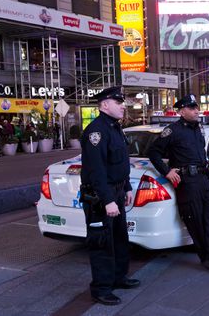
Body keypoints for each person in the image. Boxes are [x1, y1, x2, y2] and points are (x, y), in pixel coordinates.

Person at [148, 94, 209, 273]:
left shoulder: (198, 129)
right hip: (187, 182)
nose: (196, 111)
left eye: (196, 107)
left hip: (202, 179)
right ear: (182, 111)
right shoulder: (173, 131)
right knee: (196, 222)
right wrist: (166, 171)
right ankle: (207, 258)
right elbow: (154, 152)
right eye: (192, 108)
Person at [80, 86, 139, 306]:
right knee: (102, 243)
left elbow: (121, 164)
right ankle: (101, 288)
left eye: (122, 102)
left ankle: (118, 277)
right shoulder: (96, 131)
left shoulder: (115, 128)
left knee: (120, 238)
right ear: (105, 105)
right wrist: (107, 200)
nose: (123, 106)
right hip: (100, 196)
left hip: (117, 191)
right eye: (118, 102)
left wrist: (127, 188)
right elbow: (96, 171)